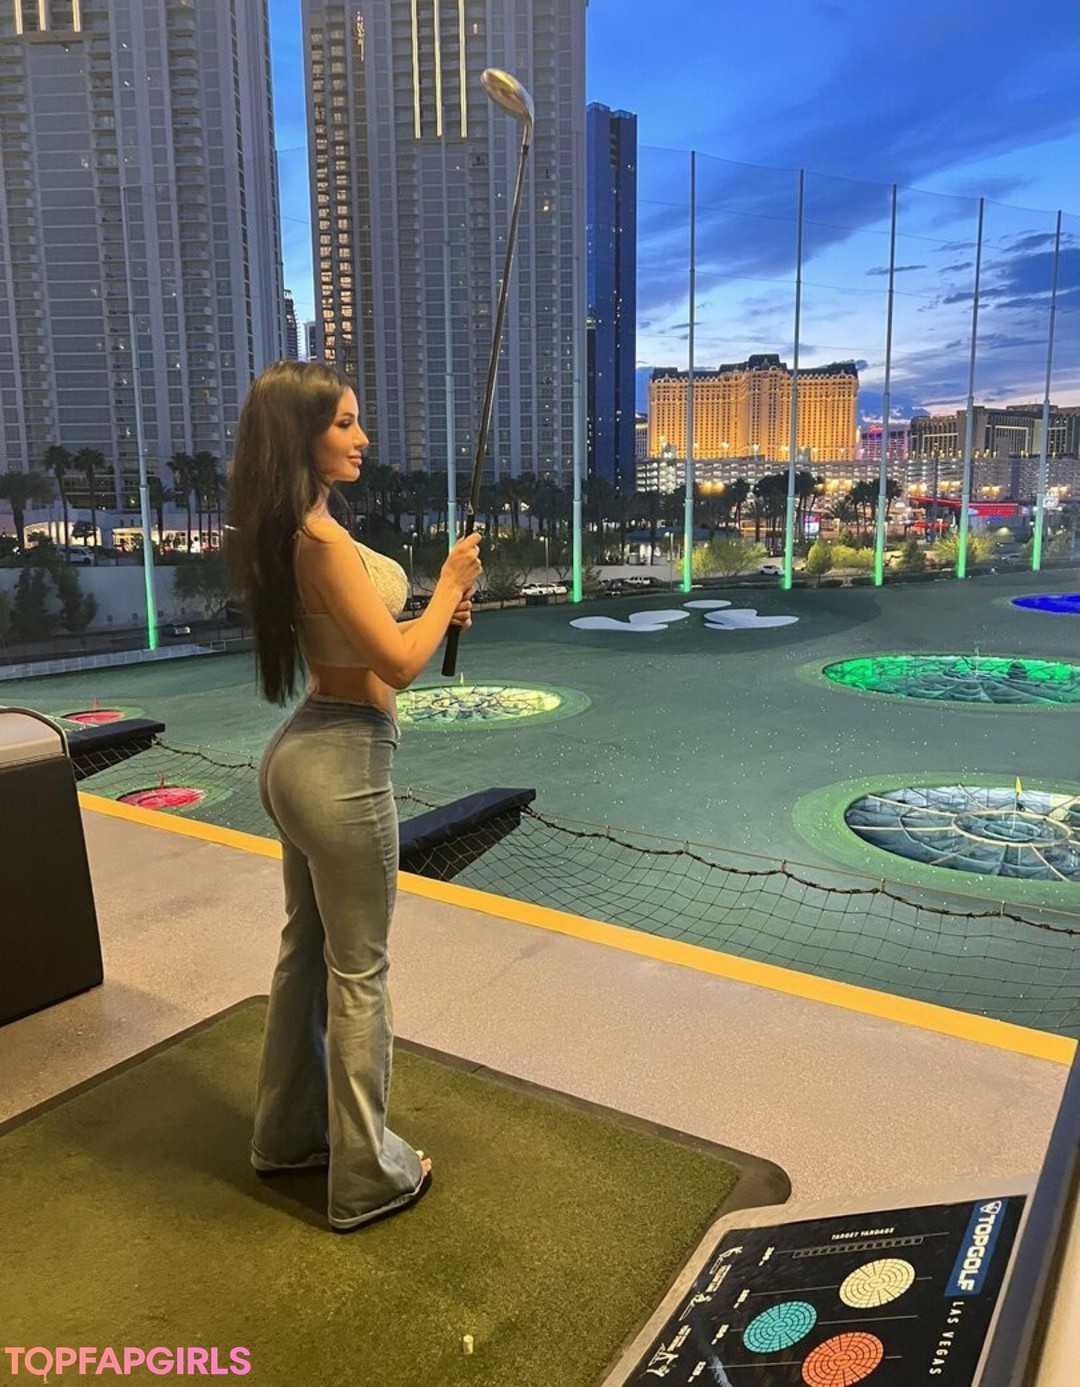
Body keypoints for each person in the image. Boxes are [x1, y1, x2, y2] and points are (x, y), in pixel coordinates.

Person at [226, 360, 482, 1232]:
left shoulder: (297, 528)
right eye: (344, 423)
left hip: (298, 757)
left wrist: (432, 615)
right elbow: (400, 668)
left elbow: (375, 640)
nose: (362, 437)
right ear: (301, 434)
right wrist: (448, 585)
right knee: (359, 973)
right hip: (341, 767)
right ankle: (369, 1175)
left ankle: (287, 1135)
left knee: (305, 954)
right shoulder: (323, 542)